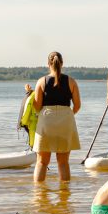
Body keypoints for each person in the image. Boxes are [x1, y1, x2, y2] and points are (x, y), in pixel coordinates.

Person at [32, 51, 81, 182]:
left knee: (42, 162)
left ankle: (39, 192)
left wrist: (29, 95)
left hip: (46, 120)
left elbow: (37, 106)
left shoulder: (41, 81)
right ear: (62, 63)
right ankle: (64, 193)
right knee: (63, 162)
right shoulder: (71, 81)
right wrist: (67, 115)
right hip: (66, 120)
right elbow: (77, 106)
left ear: (48, 64)